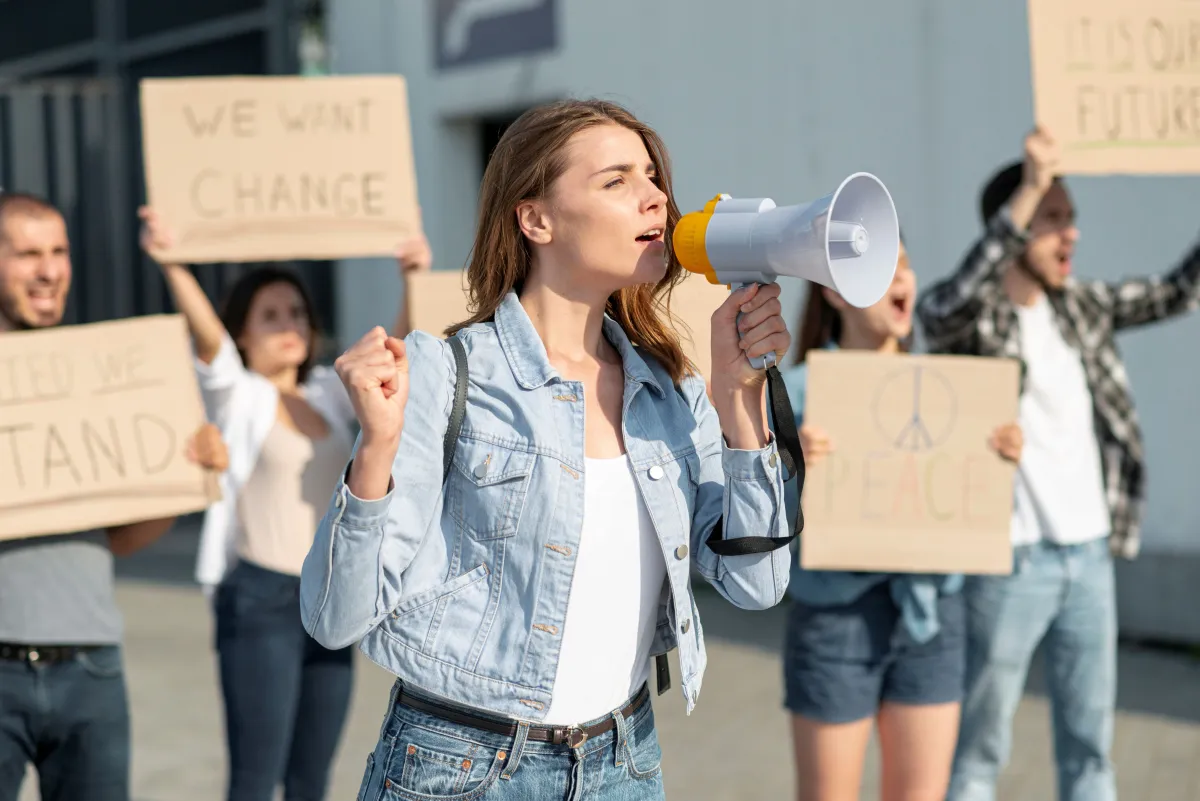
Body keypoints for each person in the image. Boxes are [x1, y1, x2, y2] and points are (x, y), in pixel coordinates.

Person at [300, 98, 795, 801]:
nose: (657, 197)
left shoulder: (672, 392)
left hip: (623, 762)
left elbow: (759, 584)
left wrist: (740, 401)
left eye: (652, 176)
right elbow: (334, 618)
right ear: (536, 219)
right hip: (460, 767)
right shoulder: (442, 373)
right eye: (616, 180)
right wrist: (376, 449)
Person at [917, 128, 1200, 801]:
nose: (1068, 233)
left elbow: (1178, 292)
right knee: (980, 753)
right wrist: (1031, 187)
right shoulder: (977, 320)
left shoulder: (1084, 308)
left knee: (1091, 751)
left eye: (1069, 217)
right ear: (1011, 226)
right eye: (1051, 218)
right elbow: (942, 307)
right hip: (1009, 562)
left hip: (1091, 558)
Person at [138, 207, 432, 801]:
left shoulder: (328, 392)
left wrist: (411, 278)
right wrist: (172, 264)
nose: (288, 324)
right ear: (243, 332)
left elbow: (396, 357)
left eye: (296, 312)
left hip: (326, 603)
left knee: (310, 778)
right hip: (260, 600)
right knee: (254, 776)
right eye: (269, 316)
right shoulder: (236, 396)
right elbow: (211, 345)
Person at [0, 191, 227, 801]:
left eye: (59, 251)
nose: (49, 270)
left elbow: (120, 539)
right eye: (26, 254)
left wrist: (184, 480)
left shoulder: (93, 380)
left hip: (90, 667)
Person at [779, 238, 1022, 801]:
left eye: (905, 267)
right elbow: (761, 527)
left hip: (933, 614)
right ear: (832, 292)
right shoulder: (793, 394)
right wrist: (790, 471)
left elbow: (965, 509)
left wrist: (996, 460)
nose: (901, 282)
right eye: (880, 271)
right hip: (836, 618)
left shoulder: (955, 391)